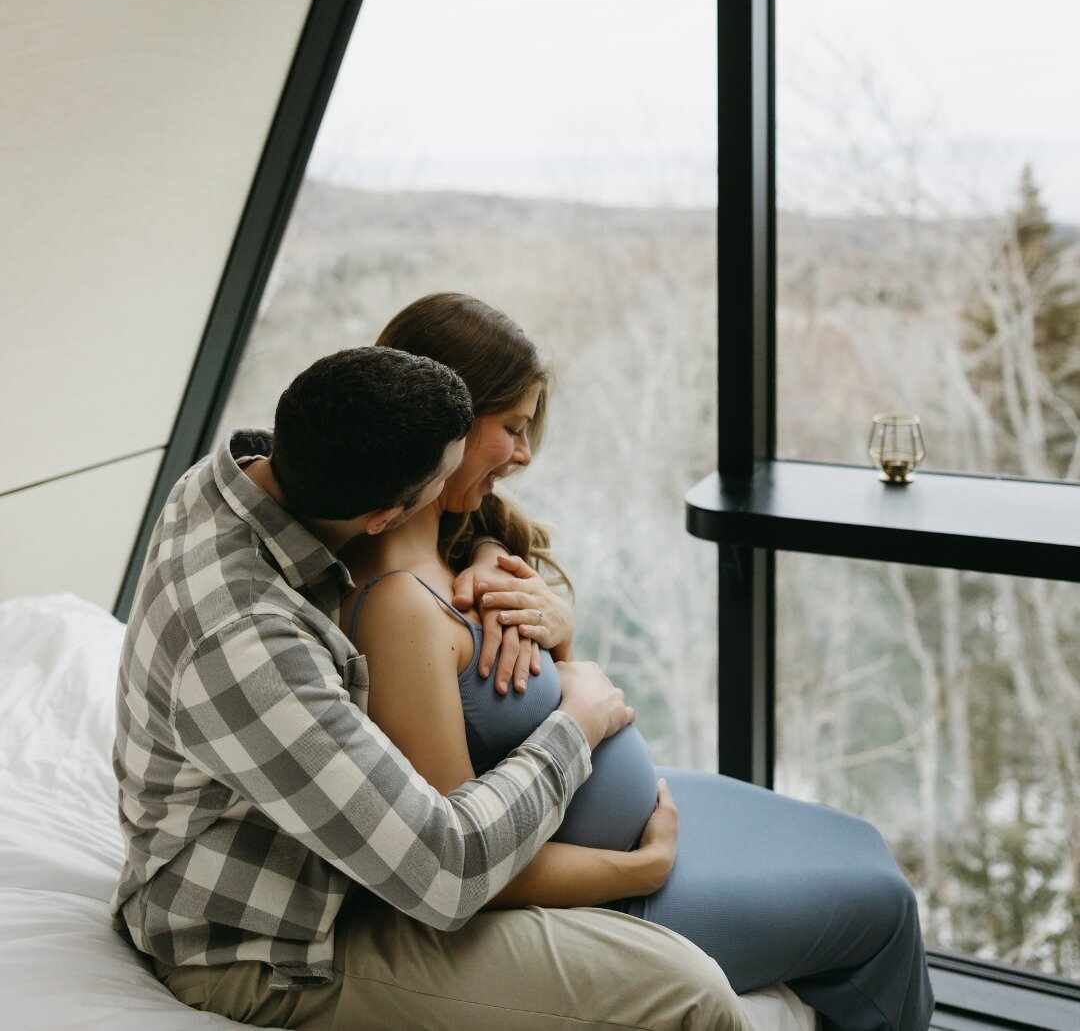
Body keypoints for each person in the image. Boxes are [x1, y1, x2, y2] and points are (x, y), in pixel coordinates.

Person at [335, 292, 936, 1031]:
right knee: (883, 906)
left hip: (624, 823)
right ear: (448, 422)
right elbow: (464, 861)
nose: (524, 455)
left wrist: (553, 624)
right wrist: (638, 868)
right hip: (603, 884)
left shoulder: (453, 542)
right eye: (514, 429)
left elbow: (507, 698)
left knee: (864, 846)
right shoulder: (397, 607)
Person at [114, 344, 751, 1031]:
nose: (460, 502)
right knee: (693, 995)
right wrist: (583, 729)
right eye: (440, 492)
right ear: (384, 519)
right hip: (271, 940)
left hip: (343, 866)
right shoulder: (248, 649)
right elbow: (446, 871)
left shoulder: (235, 481)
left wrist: (486, 558)